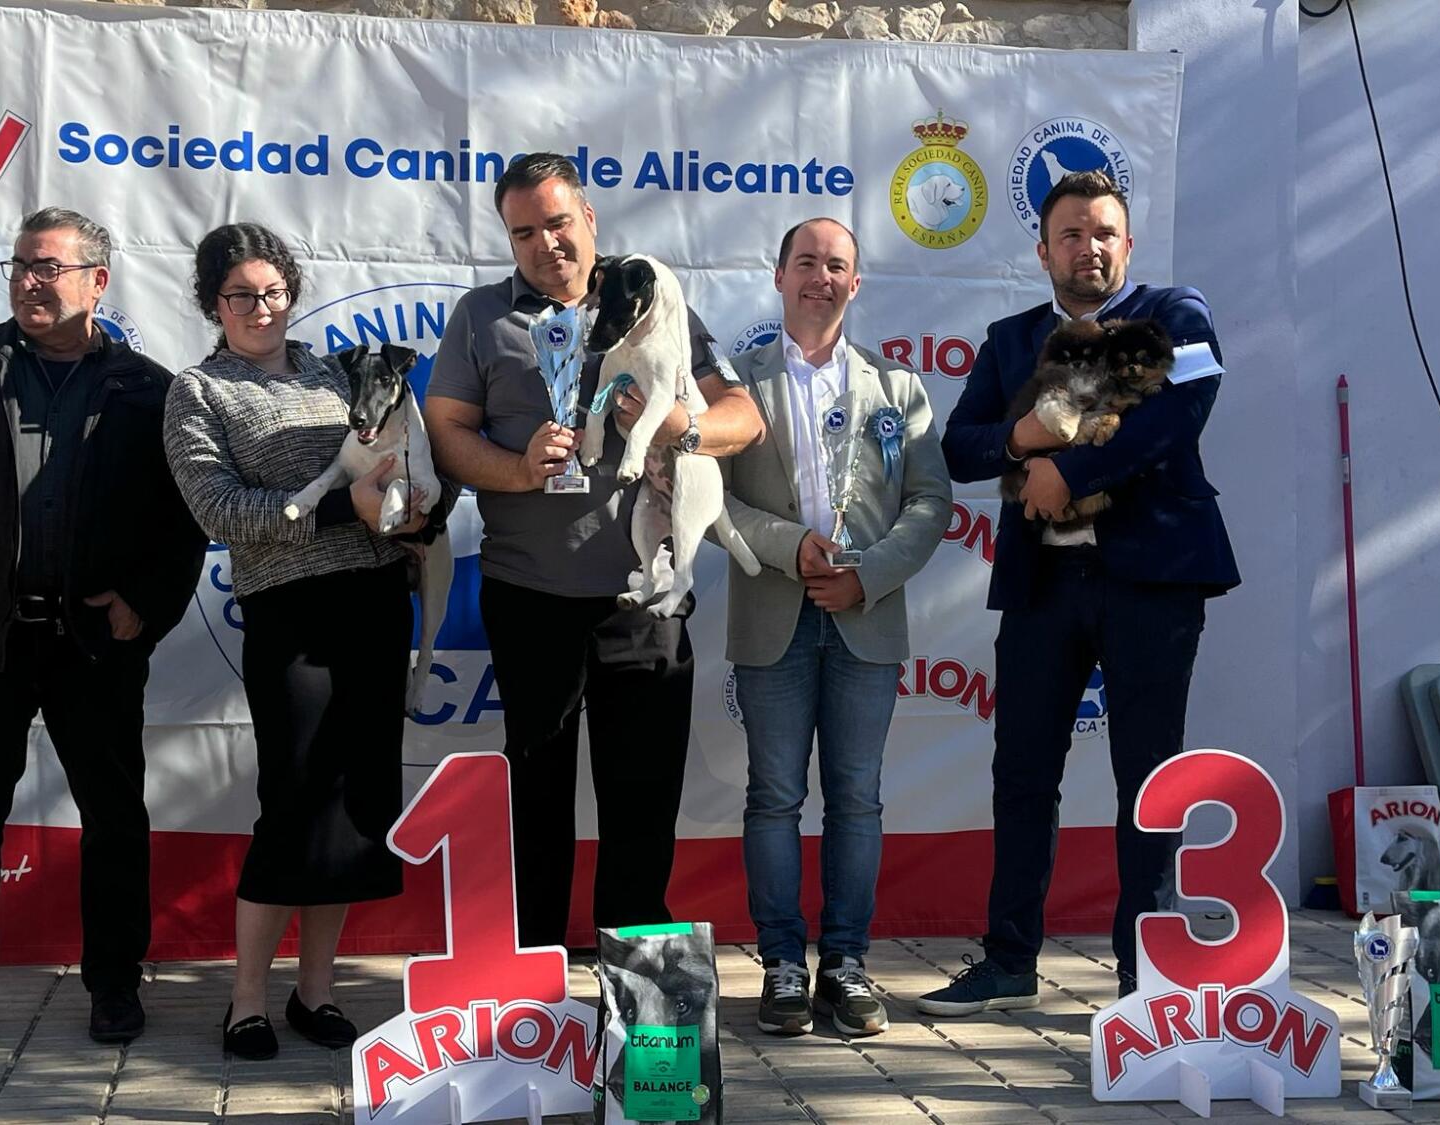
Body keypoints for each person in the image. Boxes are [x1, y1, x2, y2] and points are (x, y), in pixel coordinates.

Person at [0, 206, 206, 1050]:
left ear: (98, 282)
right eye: (21, 266)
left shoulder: (149, 388)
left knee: (114, 820)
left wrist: (145, 602)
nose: (30, 281)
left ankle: (114, 986)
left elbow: (181, 519)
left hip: (93, 644)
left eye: (48, 268)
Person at [424, 152, 764, 949]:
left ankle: (635, 994)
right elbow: (444, 434)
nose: (545, 244)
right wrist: (517, 468)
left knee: (642, 804)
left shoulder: (649, 296)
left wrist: (678, 425)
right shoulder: (479, 315)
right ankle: (535, 982)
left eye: (557, 223)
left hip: (645, 598)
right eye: (523, 233)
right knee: (534, 798)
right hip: (530, 595)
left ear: (589, 219)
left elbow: (743, 417)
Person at [919, 171, 1240, 1016]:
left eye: (1103, 233)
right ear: (1043, 251)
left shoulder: (1177, 314)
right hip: (1043, 586)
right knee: (1022, 773)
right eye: (1071, 234)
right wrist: (1024, 437)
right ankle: (1009, 960)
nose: (1088, 248)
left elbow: (1179, 414)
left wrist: (1070, 471)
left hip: (1153, 582)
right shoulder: (1011, 339)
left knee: (1150, 777)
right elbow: (959, 447)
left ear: (1127, 244)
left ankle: (1146, 973)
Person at [164, 222, 438, 1060]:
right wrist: (343, 509)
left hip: (376, 602)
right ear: (213, 302)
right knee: (292, 803)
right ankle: (246, 999)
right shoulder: (198, 391)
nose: (261, 308)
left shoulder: (338, 371)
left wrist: (418, 512)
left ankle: (316, 991)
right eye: (241, 295)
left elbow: (404, 454)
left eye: (274, 292)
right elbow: (219, 510)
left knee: (354, 807)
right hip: (288, 610)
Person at [719, 218, 952, 1037]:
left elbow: (931, 500)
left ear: (856, 283)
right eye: (807, 262)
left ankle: (846, 964)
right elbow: (710, 498)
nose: (820, 276)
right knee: (774, 798)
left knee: (857, 799)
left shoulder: (898, 386)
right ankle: (782, 964)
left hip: (866, 618)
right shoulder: (735, 386)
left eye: (837, 265)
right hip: (773, 616)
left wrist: (867, 574)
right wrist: (790, 548)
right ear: (779, 275)